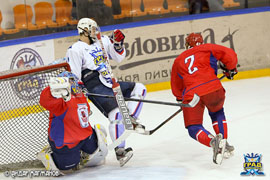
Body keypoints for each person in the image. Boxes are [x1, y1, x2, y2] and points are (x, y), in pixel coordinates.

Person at [65, 18, 147, 166]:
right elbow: (74, 76)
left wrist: (117, 43)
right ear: (84, 31)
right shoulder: (75, 49)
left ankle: (132, 120)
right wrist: (80, 88)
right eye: (92, 29)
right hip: (93, 83)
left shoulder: (102, 41)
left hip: (109, 80)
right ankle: (120, 151)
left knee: (140, 88)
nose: (96, 31)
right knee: (115, 113)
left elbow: (119, 57)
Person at [170, 33, 238, 165]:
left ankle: (213, 142)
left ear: (187, 45)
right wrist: (230, 69)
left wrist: (180, 99)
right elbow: (229, 54)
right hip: (213, 88)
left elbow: (176, 85)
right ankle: (223, 141)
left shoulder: (179, 60)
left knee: (193, 127)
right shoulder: (208, 48)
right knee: (217, 113)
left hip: (192, 94)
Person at [37, 71, 108, 174]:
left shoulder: (80, 95)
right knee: (69, 167)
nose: (71, 83)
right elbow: (45, 100)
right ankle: (49, 153)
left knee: (97, 154)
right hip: (66, 141)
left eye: (71, 80)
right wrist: (54, 89)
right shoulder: (60, 100)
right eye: (67, 81)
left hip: (84, 135)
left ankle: (82, 150)